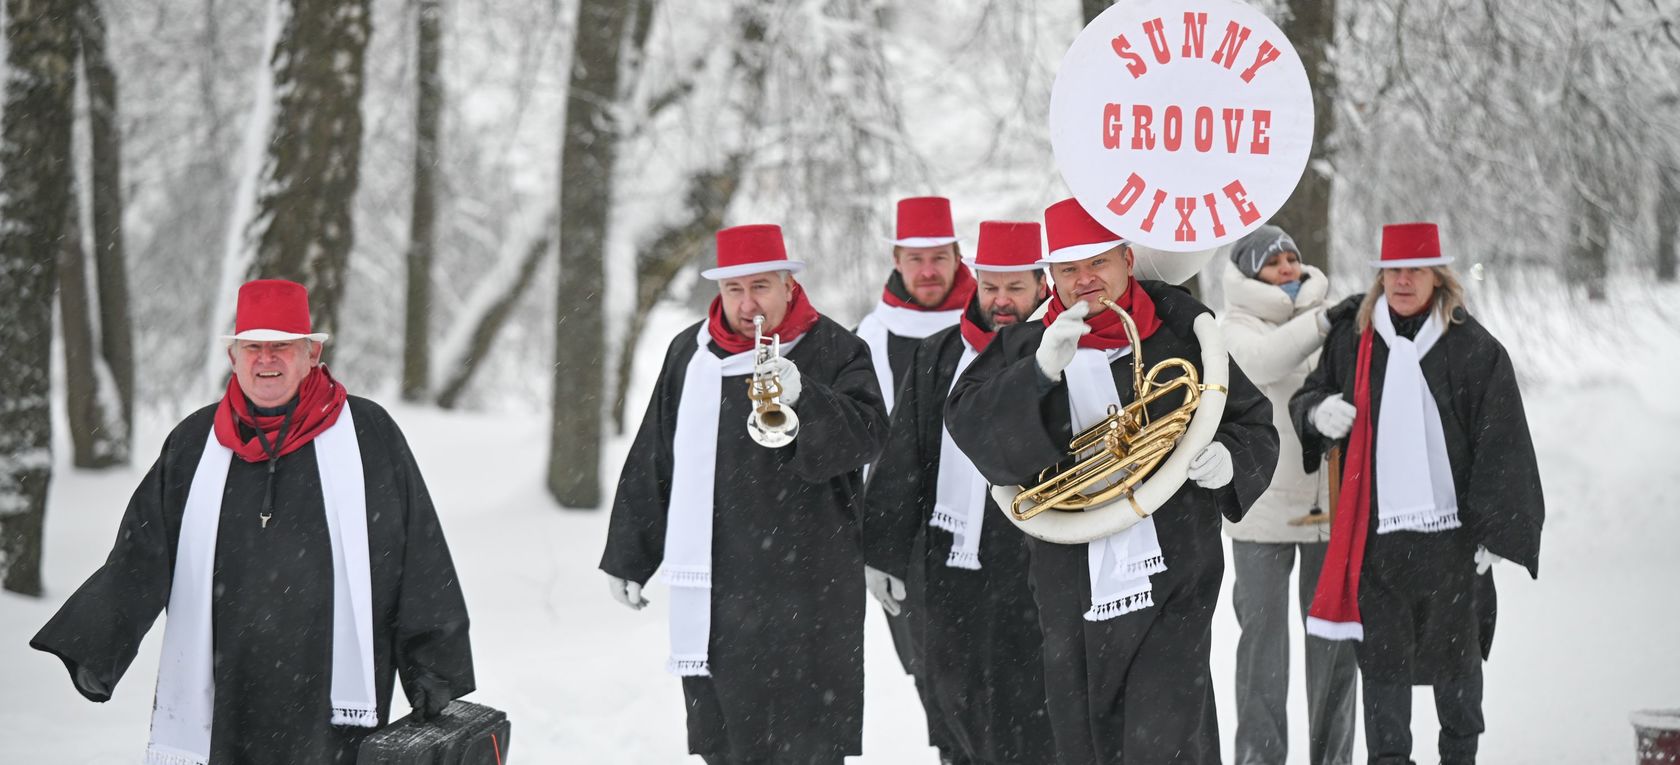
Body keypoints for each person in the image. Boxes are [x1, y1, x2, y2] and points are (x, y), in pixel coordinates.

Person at [31, 279, 475, 765]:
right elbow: (144, 550)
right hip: (228, 672)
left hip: (331, 678)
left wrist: (434, 661)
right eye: (253, 347)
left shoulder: (367, 434)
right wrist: (99, 641)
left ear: (311, 353)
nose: (267, 360)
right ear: (234, 357)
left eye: (282, 346)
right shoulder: (196, 443)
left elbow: (418, 553)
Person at [946, 199, 1279, 764]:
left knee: (1165, 736)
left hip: (1176, 574)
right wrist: (1040, 372)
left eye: (1098, 262)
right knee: (1083, 740)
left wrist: (1230, 459)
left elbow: (1256, 425)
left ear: (1127, 259)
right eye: (1069, 270)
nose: (1085, 281)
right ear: (1050, 277)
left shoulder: (1183, 336)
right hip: (1069, 584)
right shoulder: (1026, 346)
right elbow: (973, 430)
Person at [601, 224, 889, 764]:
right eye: (734, 289)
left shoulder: (836, 347)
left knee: (808, 739)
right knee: (729, 740)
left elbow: (870, 436)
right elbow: (655, 456)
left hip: (811, 577)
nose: (747, 303)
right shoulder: (690, 352)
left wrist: (808, 397)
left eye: (760, 286)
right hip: (721, 578)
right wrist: (629, 556)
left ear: (787, 285)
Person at [1291, 222, 1544, 765]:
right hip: (1376, 542)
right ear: (1381, 275)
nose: (1403, 280)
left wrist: (1497, 529)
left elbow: (1501, 439)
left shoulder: (1473, 349)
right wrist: (1316, 412)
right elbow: (1309, 393)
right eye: (1393, 270)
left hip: (1453, 548)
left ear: (1438, 276)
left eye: (1415, 270)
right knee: (1383, 675)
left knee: (1458, 676)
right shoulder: (1353, 340)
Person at [861, 221, 1056, 765]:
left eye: (1015, 287)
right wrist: (884, 551)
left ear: (1042, 286)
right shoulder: (939, 353)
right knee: (950, 692)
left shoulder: (1060, 353)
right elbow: (904, 459)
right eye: (990, 286)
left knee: (1030, 706)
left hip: (1031, 557)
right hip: (948, 561)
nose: (1000, 301)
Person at [1219, 225, 1358, 765]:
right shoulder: (1232, 325)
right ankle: (1260, 757)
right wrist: (1320, 323)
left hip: (1327, 506)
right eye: (1273, 260)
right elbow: (1264, 362)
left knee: (1334, 646)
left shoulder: (1332, 317)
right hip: (1260, 508)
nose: (1287, 266)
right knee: (1262, 653)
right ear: (1250, 270)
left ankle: (1333, 758)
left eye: (1293, 257)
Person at [854, 195, 977, 747]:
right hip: (905, 526)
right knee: (931, 670)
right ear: (897, 260)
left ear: (957, 256)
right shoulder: (872, 335)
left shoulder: (991, 323)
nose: (928, 272)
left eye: (939, 258)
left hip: (983, 518)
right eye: (916, 259)